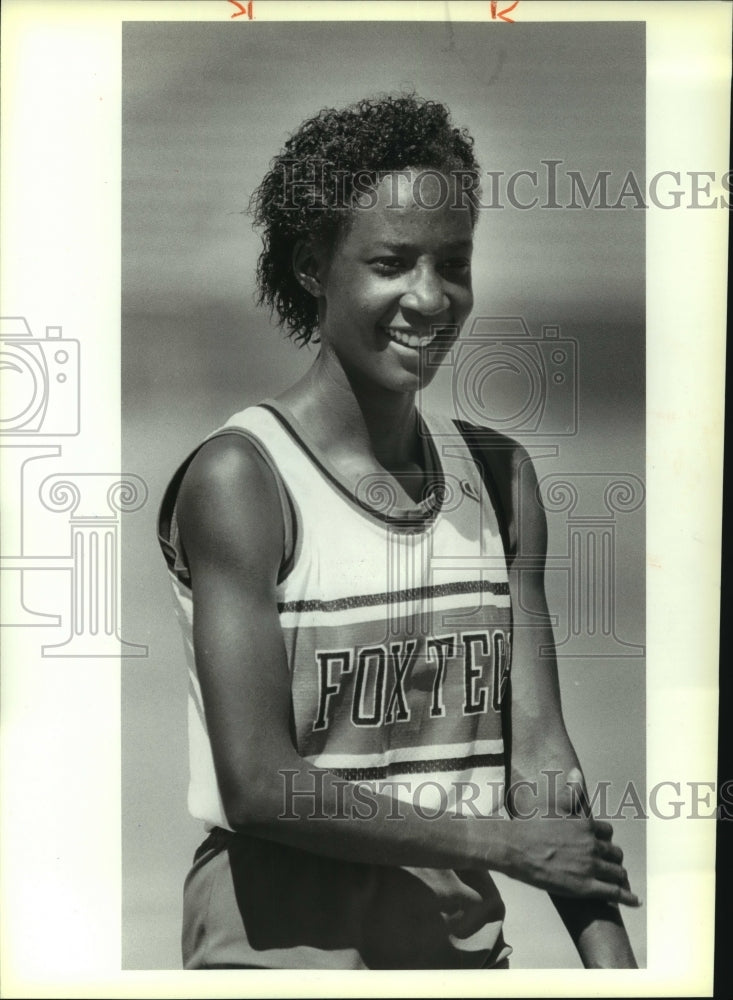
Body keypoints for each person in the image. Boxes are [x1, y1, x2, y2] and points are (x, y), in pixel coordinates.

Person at [157, 93, 639, 970]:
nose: (429, 297)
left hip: (457, 950)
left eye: (451, 263)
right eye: (390, 263)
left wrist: (616, 969)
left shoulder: (498, 478)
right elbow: (260, 785)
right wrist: (501, 847)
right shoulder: (244, 479)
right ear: (313, 266)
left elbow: (540, 766)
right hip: (272, 951)